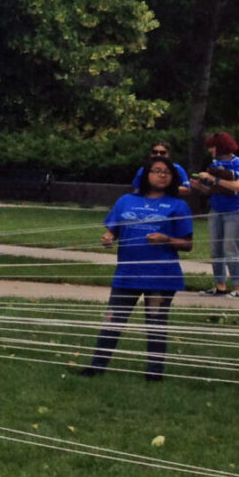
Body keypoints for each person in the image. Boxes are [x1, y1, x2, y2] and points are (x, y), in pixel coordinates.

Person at [83, 157, 193, 381]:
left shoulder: (178, 205)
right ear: (146, 175)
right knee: (113, 319)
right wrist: (109, 236)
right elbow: (114, 229)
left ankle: (154, 373)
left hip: (160, 277)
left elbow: (187, 244)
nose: (162, 175)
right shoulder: (126, 201)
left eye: (167, 173)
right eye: (156, 171)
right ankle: (96, 367)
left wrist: (165, 239)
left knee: (155, 323)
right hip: (127, 274)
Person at [191, 132, 239, 296]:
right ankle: (220, 285)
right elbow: (215, 189)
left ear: (221, 147)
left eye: (212, 147)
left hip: (235, 211)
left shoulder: (238, 163)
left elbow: (238, 186)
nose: (210, 150)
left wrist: (213, 178)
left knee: (230, 248)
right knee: (216, 250)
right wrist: (200, 187)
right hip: (216, 209)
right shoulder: (215, 163)